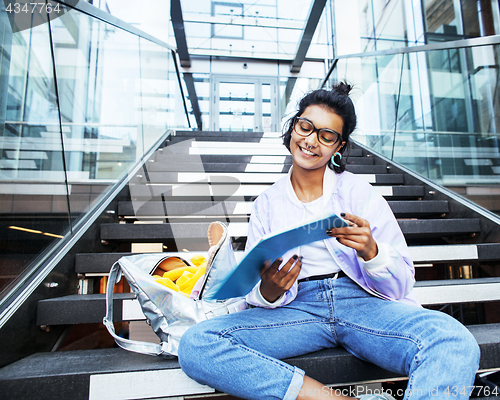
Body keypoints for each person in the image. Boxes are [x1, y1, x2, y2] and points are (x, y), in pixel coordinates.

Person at [178, 83, 480, 400]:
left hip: (361, 303)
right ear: (293, 127)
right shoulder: (266, 203)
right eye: (305, 127)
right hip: (297, 310)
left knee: (451, 339)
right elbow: (256, 289)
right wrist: (270, 288)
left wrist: (372, 252)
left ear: (339, 146)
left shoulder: (360, 193)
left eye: (326, 136)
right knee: (198, 343)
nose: (311, 141)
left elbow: (402, 283)